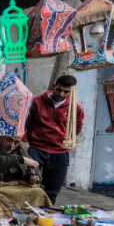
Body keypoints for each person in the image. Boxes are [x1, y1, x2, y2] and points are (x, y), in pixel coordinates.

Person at [25, 75, 84, 204]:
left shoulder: (76, 108)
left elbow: (76, 130)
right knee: (27, 182)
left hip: (59, 151)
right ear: (54, 86)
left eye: (66, 92)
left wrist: (67, 141)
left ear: (72, 91)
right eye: (59, 90)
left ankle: (45, 216)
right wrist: (26, 141)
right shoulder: (38, 101)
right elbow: (27, 123)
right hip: (37, 148)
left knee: (52, 190)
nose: (62, 94)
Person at [0, 135, 51, 217]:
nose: (12, 146)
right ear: (0, 136)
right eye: (9, 140)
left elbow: (32, 168)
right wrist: (19, 159)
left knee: (38, 192)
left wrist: (32, 176)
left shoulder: (19, 148)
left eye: (16, 142)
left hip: (9, 185)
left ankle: (32, 219)